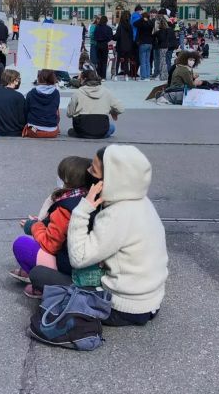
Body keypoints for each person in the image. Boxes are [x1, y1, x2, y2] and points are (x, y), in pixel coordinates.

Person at [32, 145, 169, 326]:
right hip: (150, 301)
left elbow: (78, 258)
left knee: (39, 274)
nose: (88, 172)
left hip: (121, 308)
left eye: (93, 170)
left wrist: (83, 208)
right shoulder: (142, 202)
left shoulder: (117, 214)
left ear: (110, 179)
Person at [10, 156, 92, 295]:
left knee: (22, 245)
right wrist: (42, 224)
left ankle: (47, 285)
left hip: (70, 267)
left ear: (67, 179)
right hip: (86, 264)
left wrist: (34, 227)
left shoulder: (67, 206)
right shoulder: (90, 197)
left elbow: (50, 244)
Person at [66, 69, 124, 139]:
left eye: (80, 79)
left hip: (82, 127)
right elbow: (121, 109)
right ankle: (98, 134)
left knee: (72, 130)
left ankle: (82, 134)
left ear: (84, 79)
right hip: (101, 128)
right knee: (112, 127)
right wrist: (111, 111)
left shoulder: (78, 92)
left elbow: (69, 113)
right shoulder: (106, 91)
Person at [23, 69, 60, 138]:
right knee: (57, 110)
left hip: (34, 130)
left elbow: (26, 110)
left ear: (39, 78)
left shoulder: (31, 93)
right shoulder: (56, 93)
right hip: (52, 131)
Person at [113, 12, 136, 80]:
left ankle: (116, 75)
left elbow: (117, 36)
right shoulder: (130, 26)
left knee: (118, 61)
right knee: (126, 61)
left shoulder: (120, 26)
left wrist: (111, 37)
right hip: (128, 47)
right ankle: (126, 75)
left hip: (120, 46)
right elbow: (132, 37)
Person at [134, 10, 154, 80]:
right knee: (147, 61)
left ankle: (143, 76)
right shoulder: (151, 23)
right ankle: (148, 75)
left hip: (143, 43)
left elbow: (134, 24)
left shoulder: (141, 23)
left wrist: (142, 19)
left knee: (142, 61)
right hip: (150, 43)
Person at [93, 15, 113, 80]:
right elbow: (110, 37)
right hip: (105, 45)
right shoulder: (108, 28)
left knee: (99, 61)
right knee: (104, 61)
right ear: (106, 21)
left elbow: (94, 36)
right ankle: (103, 76)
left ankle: (99, 75)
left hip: (98, 45)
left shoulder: (97, 27)